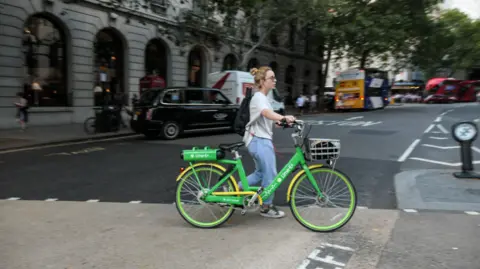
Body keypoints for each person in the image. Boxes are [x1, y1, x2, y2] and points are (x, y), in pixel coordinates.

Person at [241, 66, 296, 218]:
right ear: (263, 81)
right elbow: (266, 113)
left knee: (260, 173)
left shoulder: (264, 98)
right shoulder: (259, 97)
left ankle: (234, 189)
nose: (275, 80)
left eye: (274, 78)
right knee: (271, 174)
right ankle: (266, 207)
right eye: (272, 78)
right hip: (259, 141)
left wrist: (281, 123)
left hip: (258, 140)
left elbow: (266, 119)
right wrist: (282, 117)